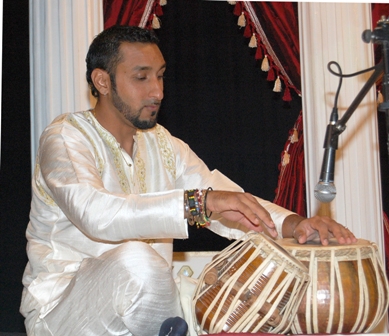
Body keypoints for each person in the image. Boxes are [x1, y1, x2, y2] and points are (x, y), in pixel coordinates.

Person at [20, 25, 357, 336]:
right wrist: (200, 203)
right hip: (64, 311)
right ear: (103, 81)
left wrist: (295, 225)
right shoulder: (66, 137)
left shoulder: (162, 144)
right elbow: (97, 215)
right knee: (137, 262)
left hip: (147, 316)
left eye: (161, 77)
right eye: (142, 77)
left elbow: (228, 200)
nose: (157, 91)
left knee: (245, 298)